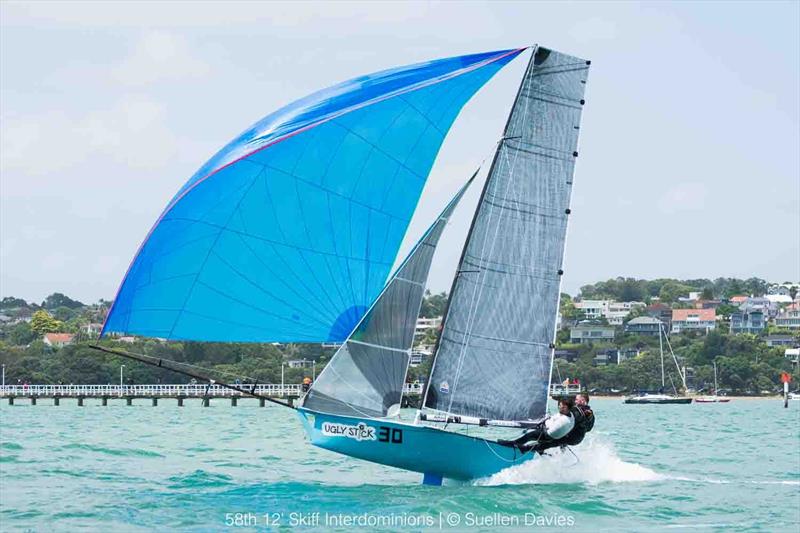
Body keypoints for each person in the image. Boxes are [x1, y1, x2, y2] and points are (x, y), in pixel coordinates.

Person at [498, 398, 575, 452]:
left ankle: (512, 444)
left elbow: (550, 431)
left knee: (529, 435)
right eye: (559, 405)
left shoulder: (563, 421)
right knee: (541, 440)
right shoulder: (570, 414)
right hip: (558, 437)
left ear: (567, 408)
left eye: (562, 407)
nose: (559, 407)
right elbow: (556, 418)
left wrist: (546, 421)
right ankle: (540, 451)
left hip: (550, 435)